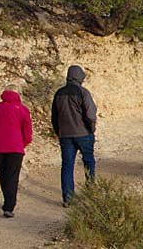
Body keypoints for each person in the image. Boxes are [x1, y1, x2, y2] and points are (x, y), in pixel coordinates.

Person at [51, 65, 98, 206]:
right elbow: (90, 114)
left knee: (67, 165)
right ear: (80, 78)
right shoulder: (83, 92)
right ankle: (91, 193)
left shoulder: (59, 93)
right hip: (83, 133)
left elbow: (54, 116)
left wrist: (58, 132)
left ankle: (68, 198)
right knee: (89, 162)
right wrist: (91, 129)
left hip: (65, 135)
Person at [0, 87, 33, 218]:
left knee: (3, 174)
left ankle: (7, 200)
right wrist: (24, 143)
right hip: (15, 148)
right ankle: (9, 206)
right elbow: (27, 131)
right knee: (12, 176)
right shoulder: (22, 109)